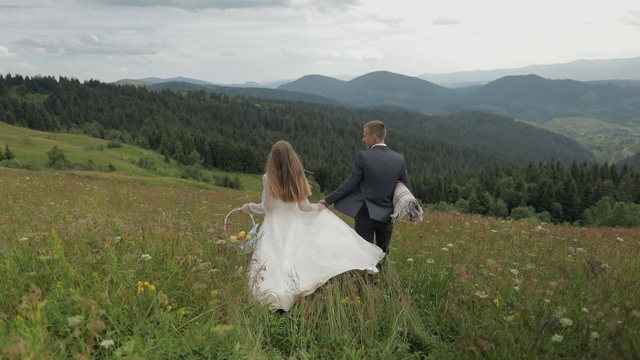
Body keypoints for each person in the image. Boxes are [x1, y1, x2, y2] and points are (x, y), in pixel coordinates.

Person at [240, 140, 385, 312]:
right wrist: (320, 207)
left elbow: (268, 207)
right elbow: (304, 207)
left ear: (273, 158)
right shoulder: (298, 176)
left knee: (275, 258)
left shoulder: (268, 178)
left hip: (275, 226)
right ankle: (298, 283)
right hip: (295, 222)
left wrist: (249, 206)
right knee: (295, 255)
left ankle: (280, 291)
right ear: (292, 157)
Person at [320, 120, 410, 255]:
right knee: (384, 252)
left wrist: (328, 200)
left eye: (365, 136)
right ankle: (383, 276)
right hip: (388, 215)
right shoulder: (399, 159)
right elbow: (405, 187)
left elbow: (350, 183)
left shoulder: (363, 156)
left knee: (364, 253)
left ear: (373, 137)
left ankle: (365, 277)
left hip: (365, 214)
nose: (363, 139)